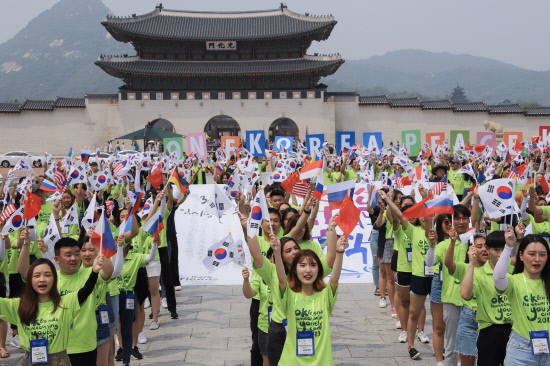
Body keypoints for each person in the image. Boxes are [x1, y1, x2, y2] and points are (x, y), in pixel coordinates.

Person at [0, 256, 104, 366]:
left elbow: (85, 291)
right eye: (36, 276)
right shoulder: (19, 305)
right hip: (30, 360)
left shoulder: (65, 302)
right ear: (30, 279)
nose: (42, 279)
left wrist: (94, 271)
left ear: (54, 278)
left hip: (58, 361)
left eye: (48, 275)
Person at [274, 234, 348, 364]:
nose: (308, 270)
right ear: (295, 270)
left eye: (313, 265)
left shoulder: (325, 295)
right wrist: (277, 252)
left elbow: (334, 279)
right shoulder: (289, 295)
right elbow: (281, 279)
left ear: (319, 270)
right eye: (302, 265)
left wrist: (340, 252)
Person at [494, 232, 550, 366]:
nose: (537, 259)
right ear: (521, 256)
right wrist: (508, 247)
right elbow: (497, 278)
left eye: (542, 254)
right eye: (531, 254)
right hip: (521, 351)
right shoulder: (514, 281)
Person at [461, 230, 515, 366]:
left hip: (514, 331)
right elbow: (466, 295)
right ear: (487, 249)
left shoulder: (513, 271)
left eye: (504, 249)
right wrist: (471, 264)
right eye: (496, 249)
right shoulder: (479, 273)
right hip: (489, 331)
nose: (500, 254)